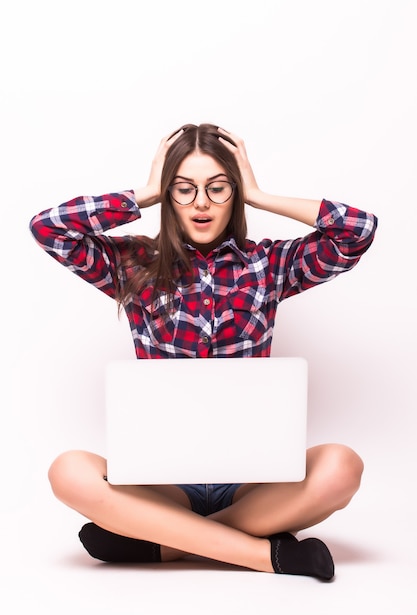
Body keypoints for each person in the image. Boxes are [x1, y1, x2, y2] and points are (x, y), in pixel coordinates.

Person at [30, 123, 377, 581]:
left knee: (341, 467)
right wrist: (146, 194)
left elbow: (357, 231)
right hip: (162, 480)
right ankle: (265, 555)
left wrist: (259, 194)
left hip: (254, 480)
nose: (201, 203)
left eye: (217, 188)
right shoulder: (131, 263)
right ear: (169, 195)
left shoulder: (268, 265)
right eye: (184, 189)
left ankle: (163, 544)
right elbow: (48, 229)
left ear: (233, 193)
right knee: (67, 472)